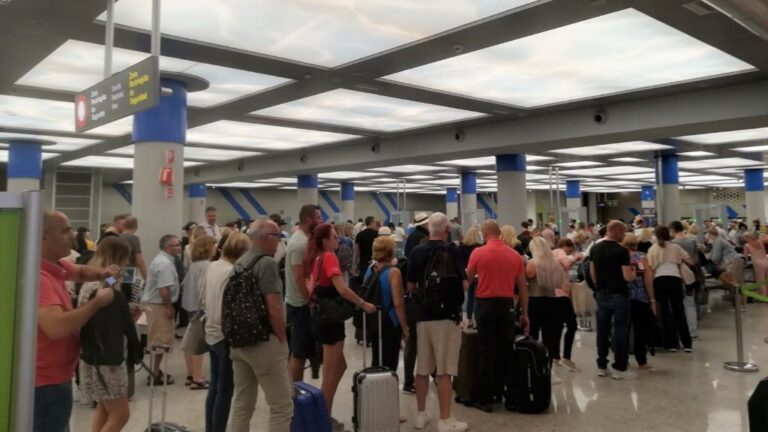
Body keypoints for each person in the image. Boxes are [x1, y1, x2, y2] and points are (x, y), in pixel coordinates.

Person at [35, 210, 118, 432]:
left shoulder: (57, 267)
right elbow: (56, 327)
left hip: (58, 378)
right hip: (45, 385)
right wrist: (96, 304)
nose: (72, 236)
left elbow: (82, 272)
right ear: (43, 237)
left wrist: (108, 275)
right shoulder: (40, 278)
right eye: (65, 231)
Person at [304, 223, 377, 430]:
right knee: (330, 372)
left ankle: (325, 413)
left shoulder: (314, 257)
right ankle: (324, 419)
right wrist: (363, 303)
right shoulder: (328, 257)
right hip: (330, 321)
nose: (338, 240)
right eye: (334, 237)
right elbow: (342, 289)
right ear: (325, 240)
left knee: (340, 366)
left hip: (320, 318)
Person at [228, 220, 294, 432]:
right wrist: (283, 340)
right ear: (266, 238)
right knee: (281, 406)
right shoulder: (266, 264)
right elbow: (274, 307)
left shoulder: (241, 262)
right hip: (264, 343)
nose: (279, 242)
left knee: (242, 403)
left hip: (239, 342)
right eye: (277, 237)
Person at [406, 212, 468, 432]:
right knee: (444, 370)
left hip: (423, 316)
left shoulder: (417, 251)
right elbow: (463, 284)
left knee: (422, 368)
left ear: (428, 228)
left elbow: (411, 286)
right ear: (446, 230)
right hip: (447, 318)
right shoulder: (453, 251)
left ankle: (421, 415)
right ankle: (445, 419)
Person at [78, 236, 142, 432]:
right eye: (125, 258)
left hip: (94, 355)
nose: (127, 263)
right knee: (121, 414)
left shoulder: (93, 284)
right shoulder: (102, 288)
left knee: (105, 410)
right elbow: (107, 320)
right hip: (107, 359)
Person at [466, 220, 528, 414]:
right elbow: (523, 288)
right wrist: (525, 313)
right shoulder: (515, 255)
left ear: (485, 234)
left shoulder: (478, 253)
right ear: (500, 233)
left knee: (486, 351)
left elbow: (466, 280)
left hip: (485, 305)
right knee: (506, 349)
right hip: (507, 306)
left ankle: (486, 398)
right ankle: (509, 397)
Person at [204, 232, 250, 432]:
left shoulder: (212, 266)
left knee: (214, 387)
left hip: (210, 333)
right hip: (225, 335)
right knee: (225, 390)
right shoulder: (232, 272)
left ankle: (210, 428)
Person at [589, 220, 636, 380]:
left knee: (602, 330)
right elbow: (627, 277)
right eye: (623, 232)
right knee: (620, 331)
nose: (624, 235)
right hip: (619, 294)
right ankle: (619, 366)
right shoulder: (622, 251)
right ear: (617, 231)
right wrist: (634, 274)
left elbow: (592, 273)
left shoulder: (595, 248)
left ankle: (602, 365)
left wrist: (600, 287)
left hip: (602, 293)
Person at [285, 204, 323, 382]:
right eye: (318, 218)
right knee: (299, 353)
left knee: (302, 349)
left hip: (299, 302)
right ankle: (297, 390)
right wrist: (309, 300)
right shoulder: (300, 243)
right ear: (308, 220)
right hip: (300, 305)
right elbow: (299, 277)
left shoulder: (302, 239)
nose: (321, 221)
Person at [141, 234, 183, 385]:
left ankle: (156, 370)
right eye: (176, 244)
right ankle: (155, 373)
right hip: (159, 305)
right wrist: (169, 307)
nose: (179, 247)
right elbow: (163, 289)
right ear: (167, 247)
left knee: (157, 339)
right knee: (159, 341)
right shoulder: (164, 264)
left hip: (157, 304)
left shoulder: (163, 260)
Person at [364, 235, 409, 371]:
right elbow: (398, 303)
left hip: (374, 319)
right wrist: (405, 328)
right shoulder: (394, 272)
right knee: (390, 362)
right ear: (391, 251)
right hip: (390, 321)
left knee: (377, 358)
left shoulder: (370, 269)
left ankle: (375, 389)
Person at [526, 237, 565, 383]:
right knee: (550, 338)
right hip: (552, 301)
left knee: (533, 337)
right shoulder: (555, 264)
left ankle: (533, 367)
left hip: (535, 301)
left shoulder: (532, 264)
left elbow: (526, 277)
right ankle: (548, 370)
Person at [180, 234, 217, 390]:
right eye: (214, 245)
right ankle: (198, 378)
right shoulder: (206, 266)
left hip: (189, 306)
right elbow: (204, 289)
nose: (217, 248)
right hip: (199, 309)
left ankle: (191, 374)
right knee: (198, 346)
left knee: (189, 343)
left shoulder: (194, 265)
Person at [401, 211, 430, 394]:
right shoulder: (425, 242)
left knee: (412, 342)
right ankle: (431, 375)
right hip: (425, 299)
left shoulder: (410, 239)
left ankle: (408, 380)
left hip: (412, 297)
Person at [622, 234, 656, 370]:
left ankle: (622, 359)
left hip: (623, 297)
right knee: (640, 330)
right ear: (636, 244)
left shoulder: (619, 258)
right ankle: (641, 360)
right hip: (640, 297)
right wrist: (652, 299)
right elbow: (648, 279)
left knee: (622, 330)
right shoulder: (642, 257)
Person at [552, 238, 583, 372]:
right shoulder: (560, 252)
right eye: (570, 248)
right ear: (565, 246)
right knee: (572, 325)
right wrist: (575, 257)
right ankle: (566, 357)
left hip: (554, 294)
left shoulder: (552, 253)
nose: (570, 251)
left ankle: (555, 356)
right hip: (561, 295)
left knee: (557, 326)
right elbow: (566, 263)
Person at [670, 221, 701, 338]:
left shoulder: (672, 244)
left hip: (677, 275)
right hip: (690, 275)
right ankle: (692, 331)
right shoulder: (692, 242)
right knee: (690, 303)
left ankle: (680, 330)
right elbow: (695, 260)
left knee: (677, 304)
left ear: (673, 230)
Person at [707, 227, 746, 310]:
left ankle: (741, 306)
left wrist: (709, 261)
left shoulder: (718, 241)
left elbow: (715, 258)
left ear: (710, 234)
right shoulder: (719, 240)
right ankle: (741, 304)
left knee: (735, 283)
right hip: (736, 260)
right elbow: (712, 255)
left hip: (733, 262)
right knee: (738, 282)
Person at [458, 226, 483, 328]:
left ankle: (469, 319)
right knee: (477, 297)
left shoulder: (462, 247)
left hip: (467, 273)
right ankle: (477, 320)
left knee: (470, 298)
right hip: (479, 274)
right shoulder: (481, 247)